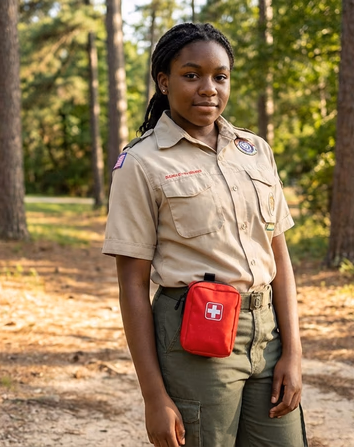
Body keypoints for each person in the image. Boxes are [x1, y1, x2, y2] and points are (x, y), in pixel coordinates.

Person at [102, 23, 306, 447]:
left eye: (220, 76)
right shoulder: (140, 164)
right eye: (191, 75)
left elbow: (278, 255)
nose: (208, 88)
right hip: (197, 338)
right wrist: (153, 396)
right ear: (164, 81)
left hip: (267, 336)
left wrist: (293, 352)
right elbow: (132, 285)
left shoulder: (255, 151)